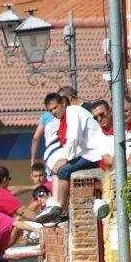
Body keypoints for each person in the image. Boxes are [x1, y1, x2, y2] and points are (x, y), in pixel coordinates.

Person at [35, 92, 104, 224]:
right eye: (50, 110)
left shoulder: (72, 112)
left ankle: (59, 208)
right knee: (60, 169)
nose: (54, 112)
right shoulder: (63, 120)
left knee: (64, 171)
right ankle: (60, 207)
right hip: (86, 153)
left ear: (63, 104)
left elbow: (73, 139)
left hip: (95, 153)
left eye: (55, 107)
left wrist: (65, 159)